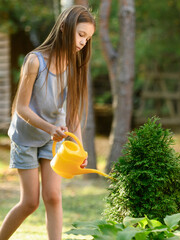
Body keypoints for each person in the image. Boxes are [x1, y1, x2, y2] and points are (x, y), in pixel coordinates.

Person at [0, 5, 95, 240]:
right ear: (64, 28)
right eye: (80, 34)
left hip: (52, 140)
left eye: (88, 38)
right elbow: (21, 108)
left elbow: (73, 115)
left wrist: (80, 150)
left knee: (53, 196)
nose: (83, 42)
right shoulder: (35, 61)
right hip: (26, 137)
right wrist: (50, 128)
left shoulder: (74, 67)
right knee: (30, 202)